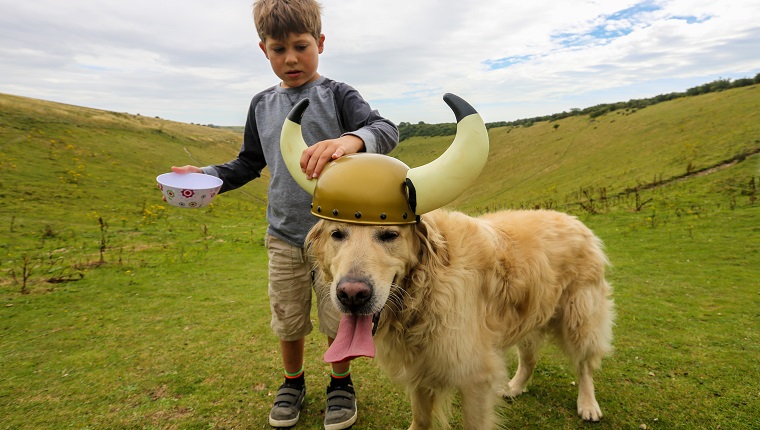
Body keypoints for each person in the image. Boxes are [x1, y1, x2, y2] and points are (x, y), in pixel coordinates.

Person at [171, 0, 397, 428]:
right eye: (278, 49)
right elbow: (247, 163)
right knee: (289, 320)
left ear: (321, 43)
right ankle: (292, 382)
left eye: (301, 45)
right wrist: (201, 175)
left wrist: (352, 140)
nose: (291, 58)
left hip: (338, 239)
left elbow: (385, 129)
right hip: (283, 236)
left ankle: (340, 384)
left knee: (339, 318)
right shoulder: (261, 104)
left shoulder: (338, 94)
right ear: (264, 50)